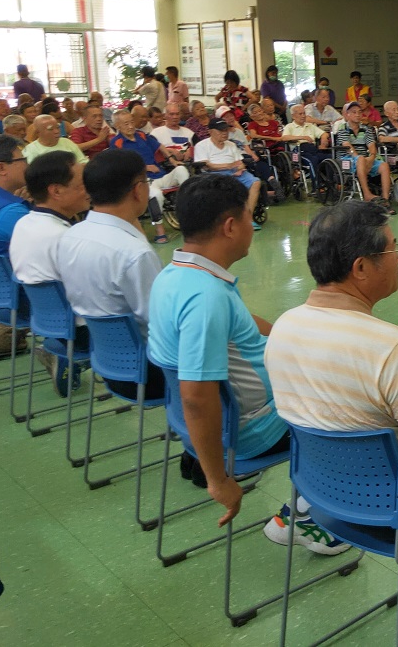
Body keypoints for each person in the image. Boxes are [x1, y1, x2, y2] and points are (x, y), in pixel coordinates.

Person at [264, 201, 398, 606]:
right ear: (361, 267)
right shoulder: (389, 346)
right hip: (396, 513)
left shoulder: (283, 328)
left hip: (324, 498)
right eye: (394, 250)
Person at [147, 175, 348, 552]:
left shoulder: (176, 275)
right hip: (254, 429)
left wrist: (292, 337)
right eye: (248, 216)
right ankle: (303, 517)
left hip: (200, 421)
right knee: (354, 403)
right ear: (230, 226)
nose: (252, 225)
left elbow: (242, 325)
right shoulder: (206, 298)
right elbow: (196, 394)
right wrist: (218, 479)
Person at [54, 149, 167, 401]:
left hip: (105, 361)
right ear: (138, 190)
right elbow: (160, 323)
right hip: (148, 373)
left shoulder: (71, 235)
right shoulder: (134, 253)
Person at [10, 151, 91, 395]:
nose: (88, 190)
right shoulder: (66, 237)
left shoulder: (24, 223)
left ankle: (61, 355)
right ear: (56, 191)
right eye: (81, 185)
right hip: (84, 335)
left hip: (47, 324)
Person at [108, 109, 190, 244]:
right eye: (126, 123)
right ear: (117, 126)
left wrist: (172, 160)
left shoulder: (142, 136)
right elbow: (120, 165)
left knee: (181, 170)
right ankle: (160, 231)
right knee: (155, 194)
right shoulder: (117, 143)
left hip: (160, 176)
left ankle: (187, 210)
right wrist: (144, 167)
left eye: (132, 122)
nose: (130, 126)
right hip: (142, 182)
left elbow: (160, 147)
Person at [193, 119, 264, 230]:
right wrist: (228, 166)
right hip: (214, 174)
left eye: (226, 130)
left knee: (255, 182)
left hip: (235, 172)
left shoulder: (231, 145)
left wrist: (240, 168)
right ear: (211, 131)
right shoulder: (202, 145)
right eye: (220, 130)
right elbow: (208, 166)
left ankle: (248, 219)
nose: (224, 133)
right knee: (227, 187)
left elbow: (240, 162)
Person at [334, 102, 393, 208]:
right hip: (346, 160)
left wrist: (371, 157)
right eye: (354, 112)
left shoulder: (366, 129)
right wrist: (360, 159)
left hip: (365, 158)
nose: (357, 114)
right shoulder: (343, 129)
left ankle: (385, 199)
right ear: (347, 115)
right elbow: (348, 147)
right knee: (360, 158)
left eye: (359, 112)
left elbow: (371, 146)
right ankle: (367, 194)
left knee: (384, 165)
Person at [23, 116, 87, 165]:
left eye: (57, 127)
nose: (57, 131)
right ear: (38, 132)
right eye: (51, 129)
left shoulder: (67, 142)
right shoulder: (30, 150)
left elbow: (83, 161)